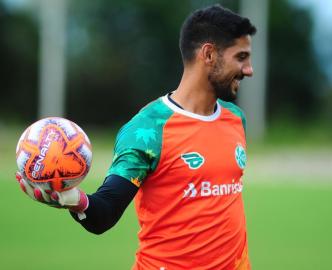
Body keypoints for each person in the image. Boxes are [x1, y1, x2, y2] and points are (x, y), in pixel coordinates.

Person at [16, 4, 256, 270]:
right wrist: (75, 201)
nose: (249, 70)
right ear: (209, 54)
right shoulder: (148, 129)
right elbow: (105, 211)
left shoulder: (235, 118)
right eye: (241, 57)